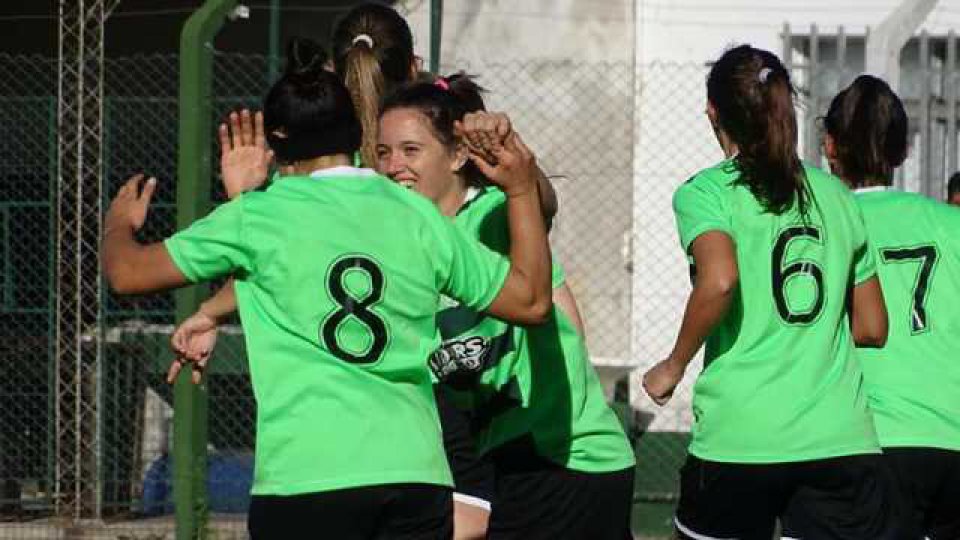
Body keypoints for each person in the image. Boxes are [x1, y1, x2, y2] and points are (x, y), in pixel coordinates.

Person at [104, 37, 554, 540]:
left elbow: (127, 273)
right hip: (414, 475)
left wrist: (118, 225)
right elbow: (531, 300)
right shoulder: (415, 214)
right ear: (357, 135)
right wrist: (519, 190)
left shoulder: (257, 215)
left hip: (307, 476)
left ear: (275, 144)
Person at [641, 45, 898, 539]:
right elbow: (872, 327)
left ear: (713, 112)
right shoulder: (838, 196)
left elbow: (720, 279)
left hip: (743, 437)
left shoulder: (706, 192)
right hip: (839, 438)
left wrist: (673, 364)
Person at [376, 74, 636, 540]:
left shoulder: (492, 216)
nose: (394, 165)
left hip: (568, 460)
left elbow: (541, 202)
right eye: (383, 152)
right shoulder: (405, 246)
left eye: (410, 151)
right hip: (506, 461)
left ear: (457, 156)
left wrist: (515, 158)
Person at [813, 74, 960, 540]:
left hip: (874, 439)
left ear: (829, 147)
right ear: (903, 151)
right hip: (952, 439)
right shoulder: (950, 225)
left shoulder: (823, 224)